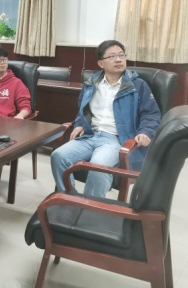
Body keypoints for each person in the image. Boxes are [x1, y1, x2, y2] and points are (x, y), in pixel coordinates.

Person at [51, 40, 161, 198]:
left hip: (116, 139)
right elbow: (83, 109)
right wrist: (80, 123)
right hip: (90, 135)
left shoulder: (137, 85)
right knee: (58, 156)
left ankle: (89, 207)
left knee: (98, 166)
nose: (118, 59)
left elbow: (151, 114)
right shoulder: (91, 83)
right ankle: (69, 199)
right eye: (112, 56)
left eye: (121, 55)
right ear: (101, 63)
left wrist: (146, 132)